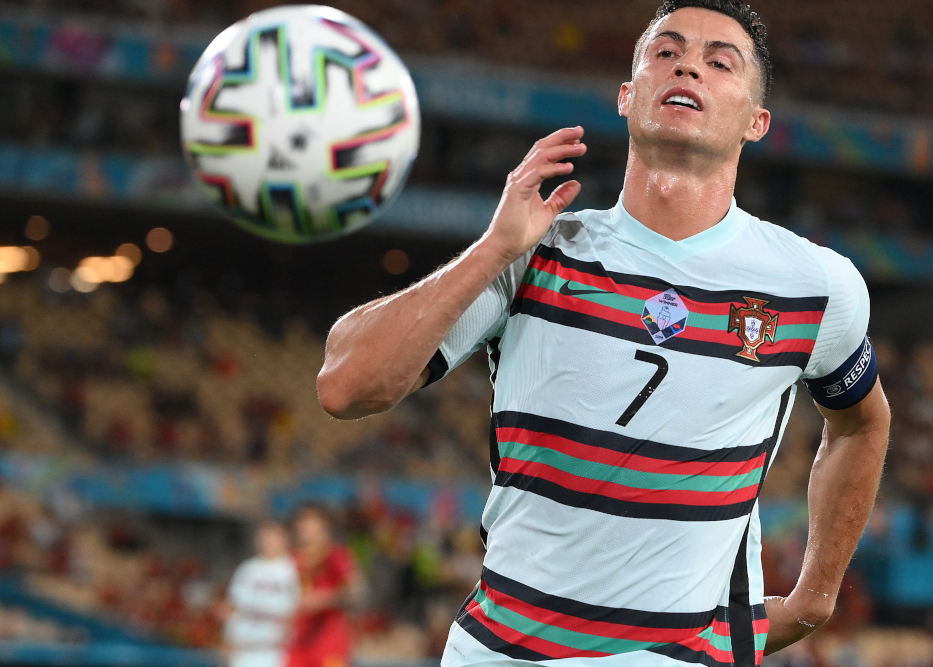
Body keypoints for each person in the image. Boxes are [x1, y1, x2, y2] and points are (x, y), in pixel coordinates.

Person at [317, 0, 892, 665]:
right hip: (497, 650)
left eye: (719, 61)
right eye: (666, 52)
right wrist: (492, 249)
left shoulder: (813, 284)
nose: (688, 67)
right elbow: (346, 385)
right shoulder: (534, 253)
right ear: (627, 95)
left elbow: (860, 423)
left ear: (756, 122)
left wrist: (817, 592)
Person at [286, 505, 364, 667]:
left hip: (329, 641)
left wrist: (324, 599)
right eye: (303, 523)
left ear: (324, 527)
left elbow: (356, 590)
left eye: (311, 523)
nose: (306, 528)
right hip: (296, 642)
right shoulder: (290, 559)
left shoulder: (336, 555)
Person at [223, 521, 300, 667]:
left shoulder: (293, 568)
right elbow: (231, 606)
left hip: (275, 651)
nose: (269, 541)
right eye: (265, 536)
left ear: (286, 539)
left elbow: (298, 608)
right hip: (243, 649)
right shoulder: (247, 569)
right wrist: (226, 639)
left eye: (274, 536)